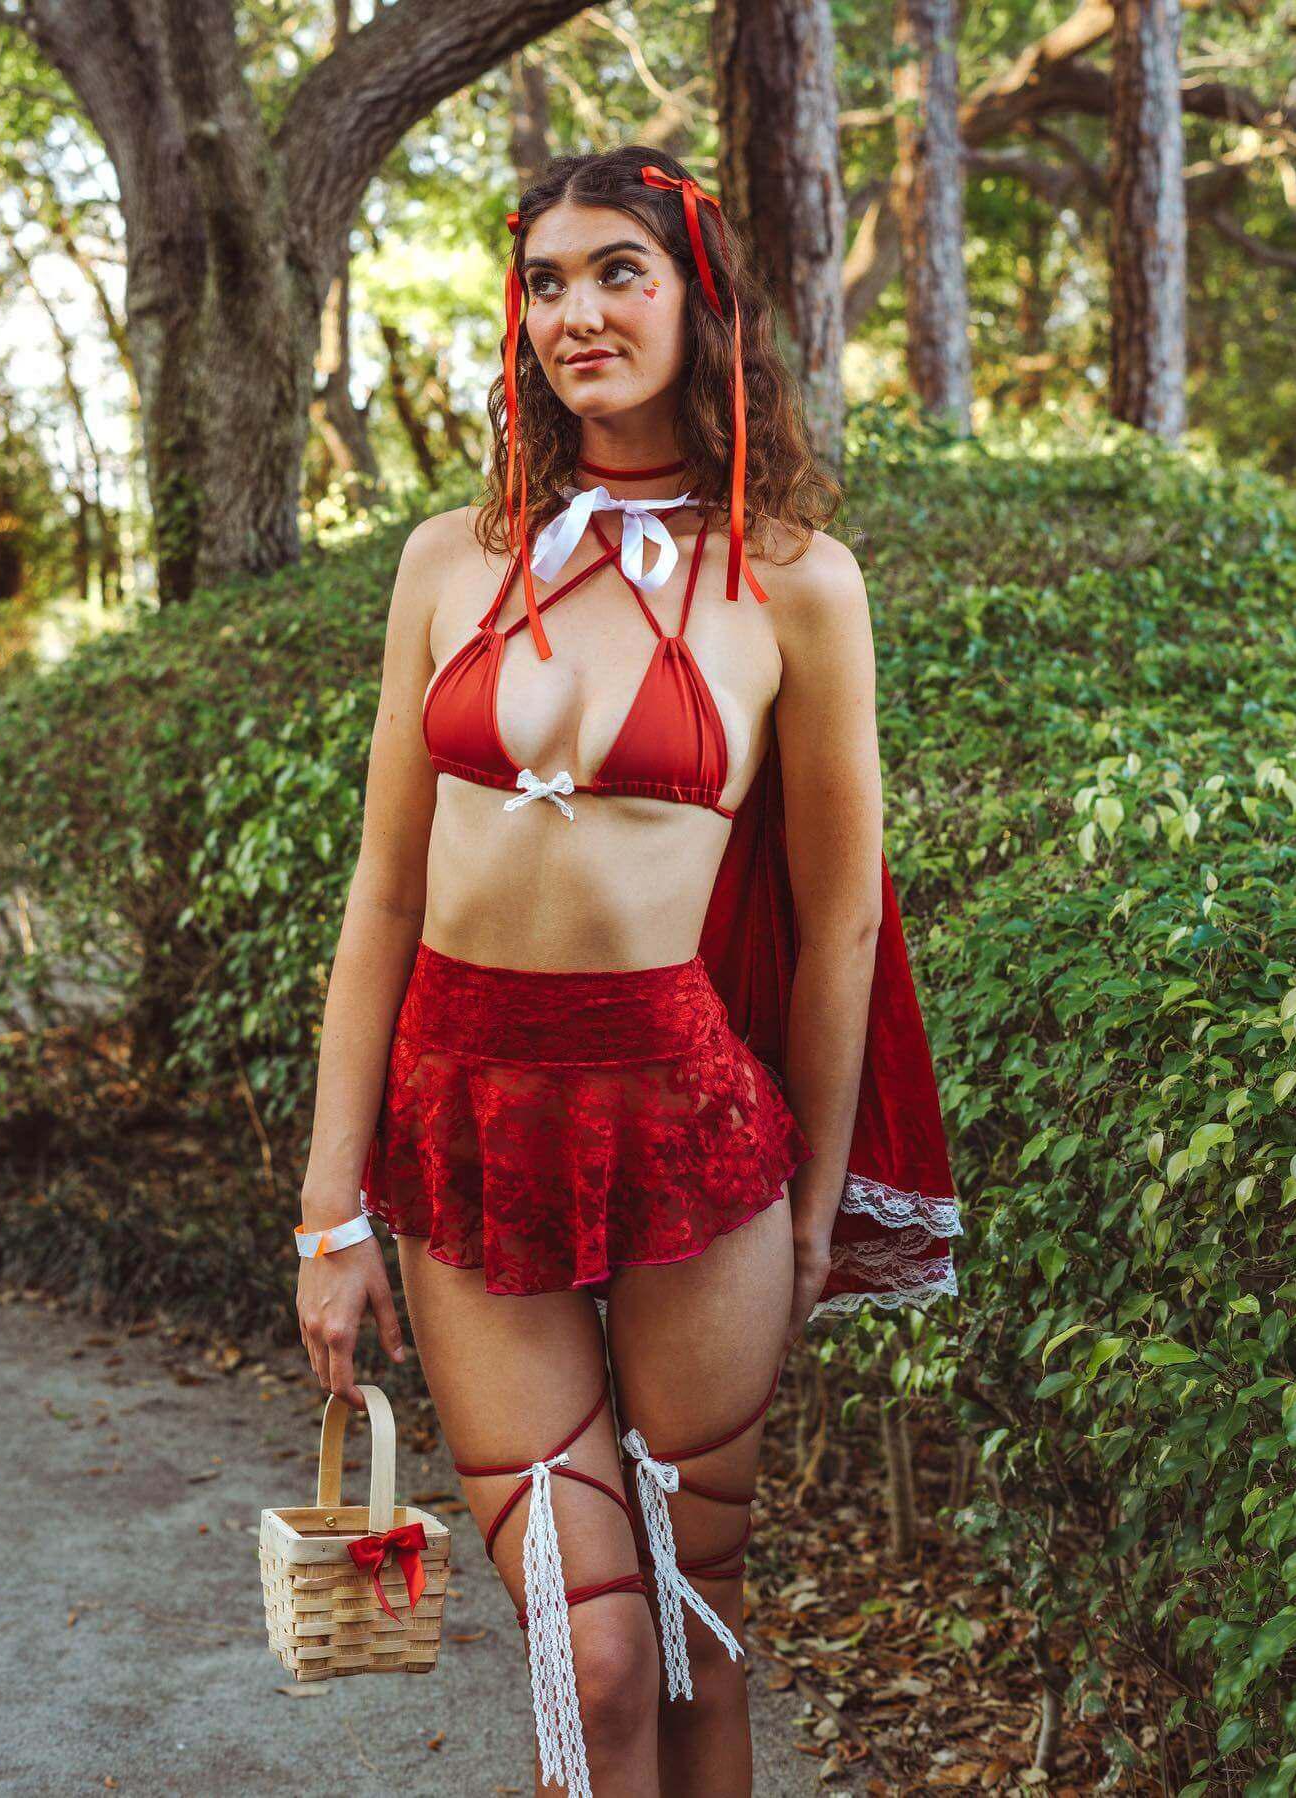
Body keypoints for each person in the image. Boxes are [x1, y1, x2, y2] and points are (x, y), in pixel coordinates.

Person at [294, 145, 960, 1798]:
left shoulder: (797, 581)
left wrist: (814, 1207)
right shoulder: (453, 556)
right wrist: (328, 1210)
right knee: (587, 1655)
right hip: (463, 1128)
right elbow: (381, 893)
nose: (575, 311)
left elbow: (840, 923)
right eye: (546, 281)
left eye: (619, 272)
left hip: (690, 1135)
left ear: (699, 298)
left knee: (691, 1633)